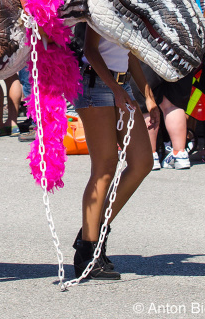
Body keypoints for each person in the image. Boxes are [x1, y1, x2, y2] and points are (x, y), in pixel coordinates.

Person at [71, 26, 156, 279]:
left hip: (122, 85)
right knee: (104, 168)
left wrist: (149, 97)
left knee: (142, 162)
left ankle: (94, 231)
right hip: (94, 83)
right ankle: (88, 252)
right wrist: (115, 89)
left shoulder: (129, 2)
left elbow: (129, 55)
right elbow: (90, 50)